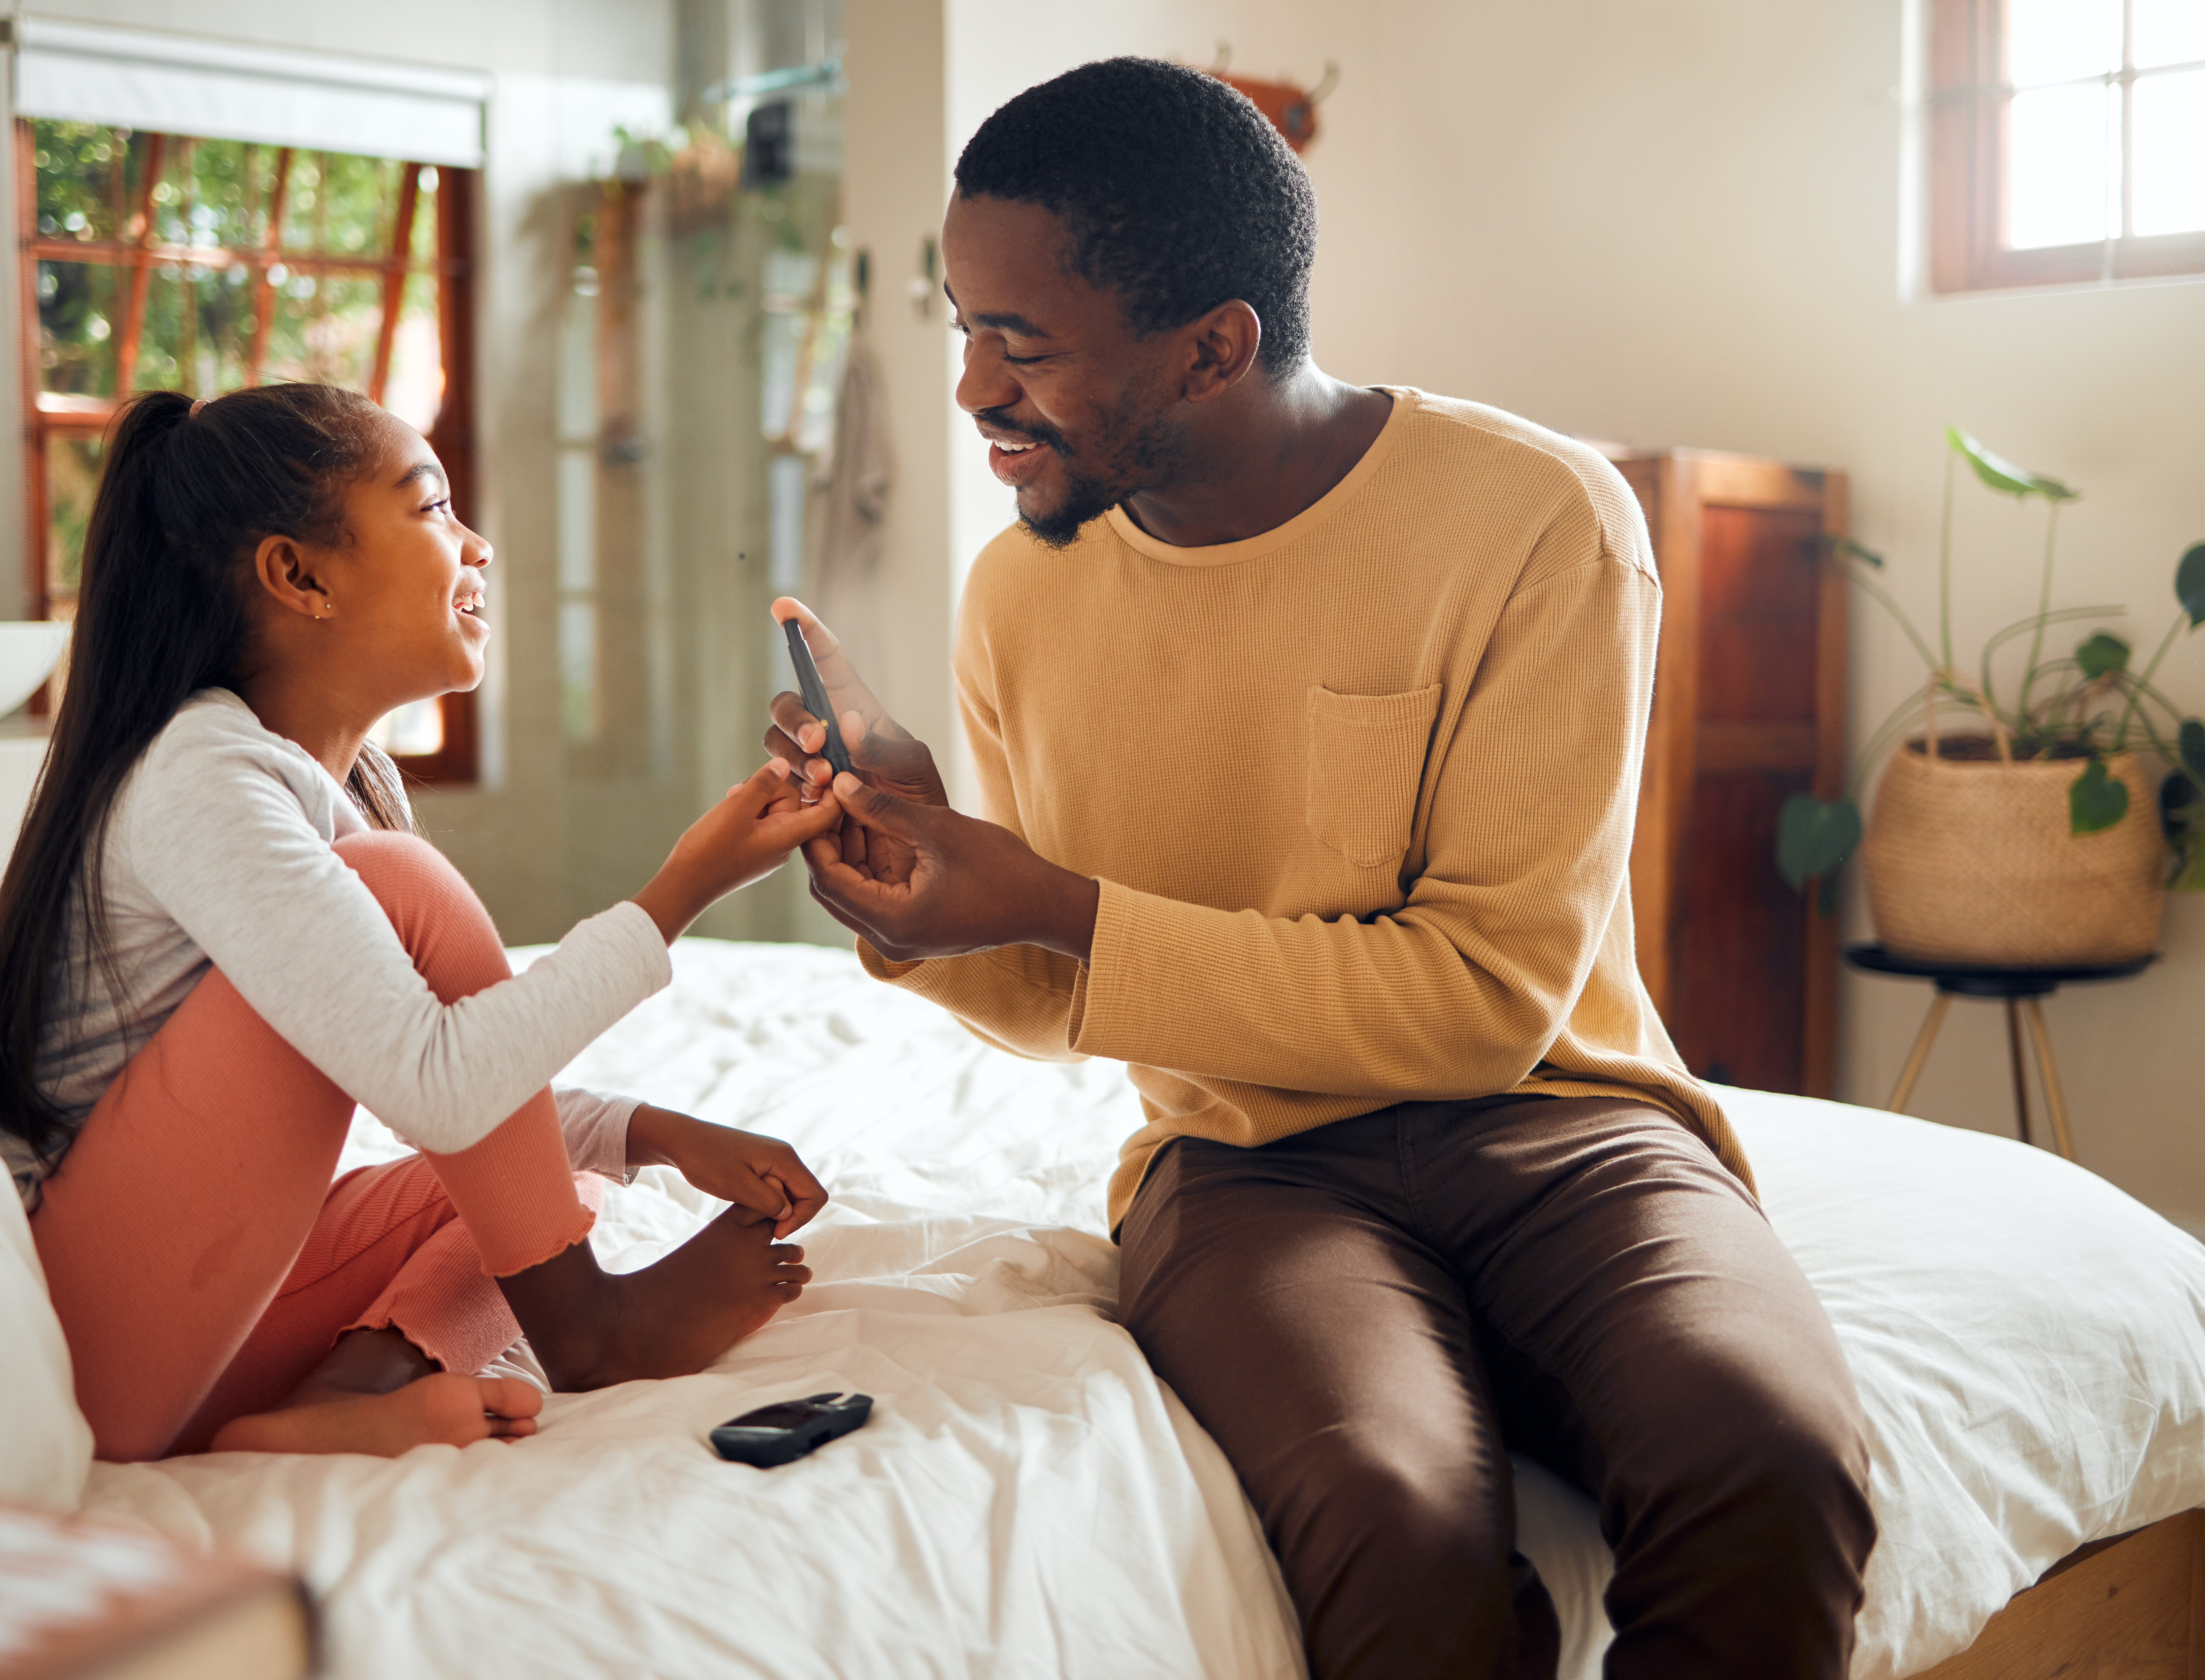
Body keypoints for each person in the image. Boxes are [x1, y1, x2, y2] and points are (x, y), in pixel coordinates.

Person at [765, 57, 1875, 1680]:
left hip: (1563, 1127)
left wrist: (1047, 903)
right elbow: (1077, 987)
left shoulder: (1537, 523)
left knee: (1768, 1453)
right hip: (1250, 1164)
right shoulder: (1023, 594)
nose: (972, 394)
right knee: (1391, 1506)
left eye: (1026, 345)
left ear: (1215, 346)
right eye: (964, 326)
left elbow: (1487, 1004)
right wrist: (931, 898)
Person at [0, 383, 841, 1465]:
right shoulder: (202, 775)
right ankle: (588, 1327)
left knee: (552, 1186)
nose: (475, 546)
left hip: (178, 1327)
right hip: (67, 1353)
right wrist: (678, 893)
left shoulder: (339, 783)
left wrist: (647, 1132)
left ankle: (341, 1396)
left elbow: (451, 1092)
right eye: (431, 510)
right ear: (298, 575)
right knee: (402, 887)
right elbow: (440, 1084)